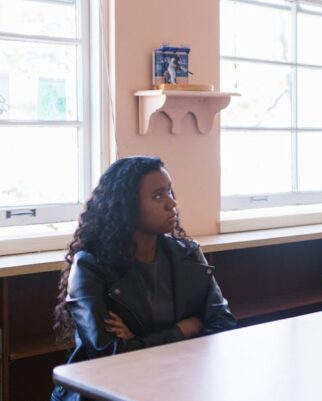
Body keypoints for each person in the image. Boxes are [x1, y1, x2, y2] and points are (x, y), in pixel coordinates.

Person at [51, 156, 237, 401]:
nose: (172, 203)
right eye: (158, 196)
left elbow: (224, 325)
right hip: (103, 392)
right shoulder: (90, 265)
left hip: (175, 381)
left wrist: (138, 341)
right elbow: (108, 355)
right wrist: (183, 330)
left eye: (170, 191)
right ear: (126, 206)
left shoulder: (188, 253)